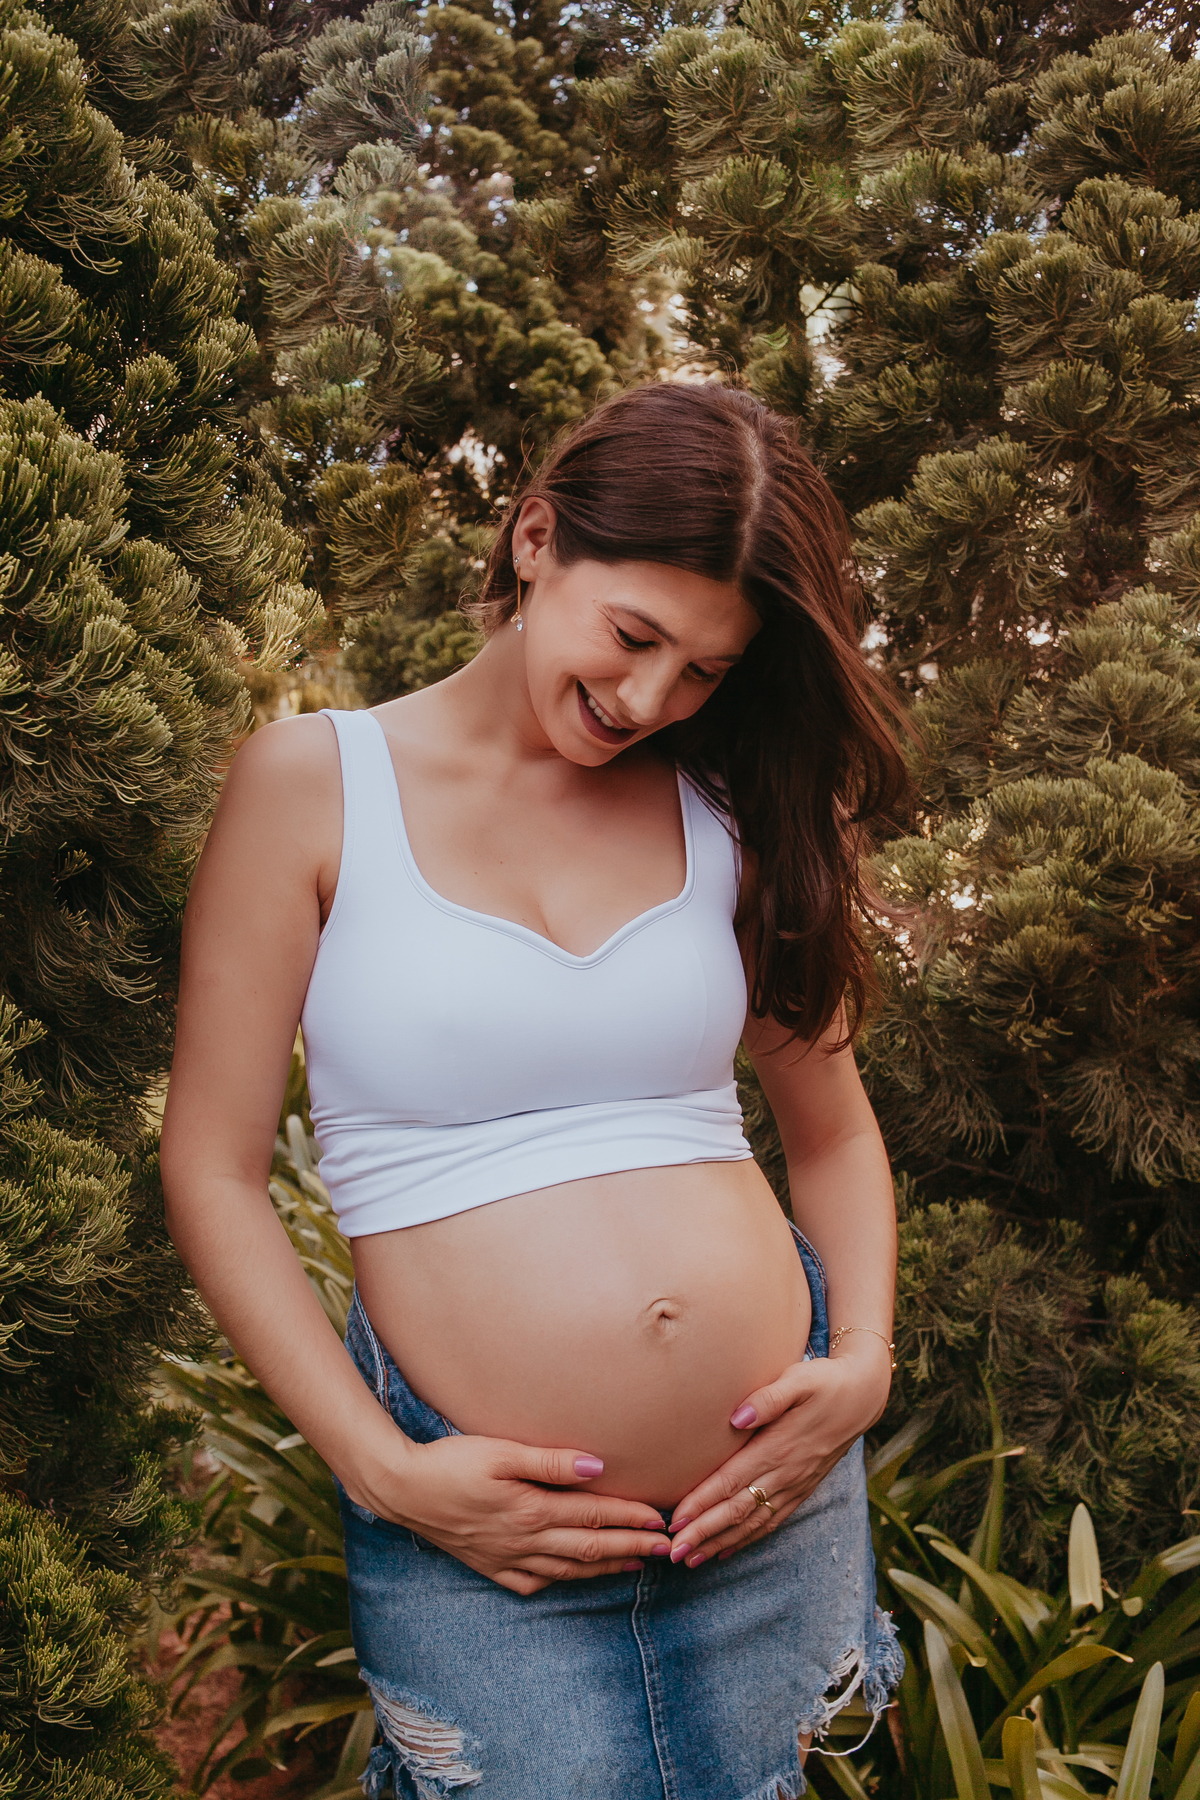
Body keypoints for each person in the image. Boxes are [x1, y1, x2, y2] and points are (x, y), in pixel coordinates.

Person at [161, 382, 907, 1800]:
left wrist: (859, 1362)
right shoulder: (314, 787)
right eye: (634, 637)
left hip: (769, 1502)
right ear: (535, 537)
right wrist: (383, 1471)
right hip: (476, 1520)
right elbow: (209, 1167)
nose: (649, 699)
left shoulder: (725, 816)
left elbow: (835, 1134)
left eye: (703, 672)